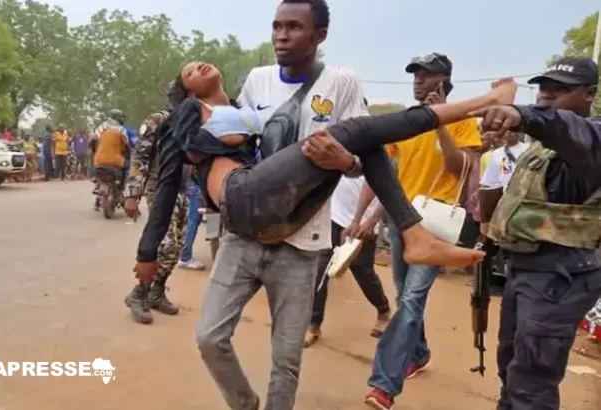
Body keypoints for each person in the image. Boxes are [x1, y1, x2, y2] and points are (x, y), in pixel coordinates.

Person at [131, 5, 515, 410]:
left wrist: (346, 163)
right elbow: (174, 172)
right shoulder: (216, 102)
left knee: (287, 359)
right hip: (244, 219)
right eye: (277, 26)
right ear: (186, 89)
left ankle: (414, 230)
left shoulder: (331, 84)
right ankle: (474, 119)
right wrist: (148, 249)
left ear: (321, 35)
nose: (281, 34)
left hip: (301, 236)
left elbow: (363, 157)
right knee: (210, 337)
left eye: (293, 26)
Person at [360, 52, 485, 410]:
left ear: (444, 79)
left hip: (436, 228)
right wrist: (368, 218)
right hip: (402, 221)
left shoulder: (463, 120)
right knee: (404, 297)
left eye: (425, 74)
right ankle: (420, 352)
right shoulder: (406, 120)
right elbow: (389, 176)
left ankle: (384, 385)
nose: (417, 80)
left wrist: (440, 122)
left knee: (412, 300)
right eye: (414, 74)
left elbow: (459, 165)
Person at [477, 57, 601, 410]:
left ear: (589, 94)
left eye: (561, 89)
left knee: (532, 381)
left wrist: (523, 114)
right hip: (526, 271)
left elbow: (566, 129)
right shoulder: (541, 147)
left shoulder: (591, 139)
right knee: (511, 365)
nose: (548, 94)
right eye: (544, 86)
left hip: (562, 275)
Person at [305, 129, 393, 346]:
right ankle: (313, 325)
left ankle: (383, 310)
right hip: (333, 219)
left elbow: (389, 194)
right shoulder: (335, 150)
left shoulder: (378, 157)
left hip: (362, 225)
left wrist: (368, 222)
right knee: (319, 270)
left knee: (362, 271)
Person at [123, 109, 191, 324]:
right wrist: (133, 194)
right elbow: (140, 158)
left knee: (178, 245)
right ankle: (138, 293)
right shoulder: (159, 119)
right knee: (167, 244)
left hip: (184, 189)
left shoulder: (198, 117)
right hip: (159, 187)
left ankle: (157, 292)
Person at [94, 109, 132, 209]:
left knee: (97, 170)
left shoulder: (102, 127)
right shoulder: (121, 129)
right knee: (127, 168)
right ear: (117, 117)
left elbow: (94, 139)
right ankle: (121, 188)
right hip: (115, 160)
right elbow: (127, 145)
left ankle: (97, 193)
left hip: (99, 159)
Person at [177, 178, 207, 270]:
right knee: (193, 220)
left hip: (189, 183)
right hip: (196, 183)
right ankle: (185, 257)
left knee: (189, 219)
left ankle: (182, 253)